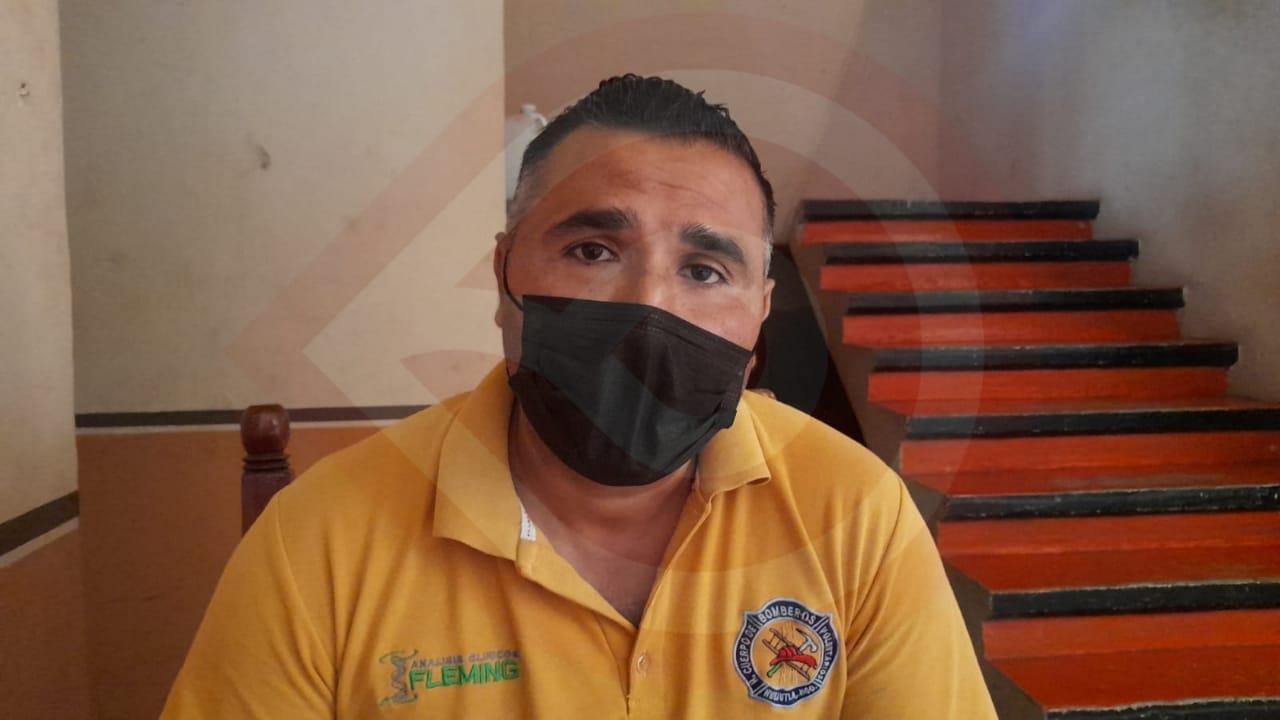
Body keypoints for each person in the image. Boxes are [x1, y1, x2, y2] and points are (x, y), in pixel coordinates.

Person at [162, 74, 996, 718]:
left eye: (705, 271)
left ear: (758, 320)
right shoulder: (320, 541)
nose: (649, 308)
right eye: (594, 250)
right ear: (504, 273)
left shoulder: (856, 517)